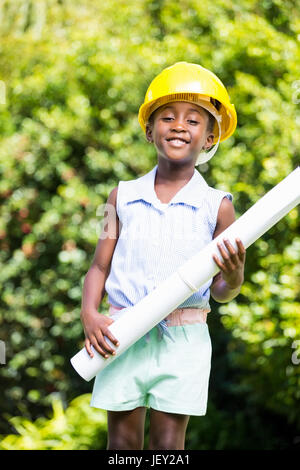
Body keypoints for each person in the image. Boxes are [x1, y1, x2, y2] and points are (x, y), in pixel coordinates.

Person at [80, 62, 246, 450]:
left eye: (193, 120)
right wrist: (90, 313)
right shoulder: (117, 198)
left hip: (185, 338)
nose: (178, 126)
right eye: (167, 116)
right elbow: (98, 266)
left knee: (169, 447)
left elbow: (222, 291)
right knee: (121, 446)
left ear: (209, 138)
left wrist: (234, 277)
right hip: (122, 333)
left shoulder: (218, 206)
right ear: (149, 129)